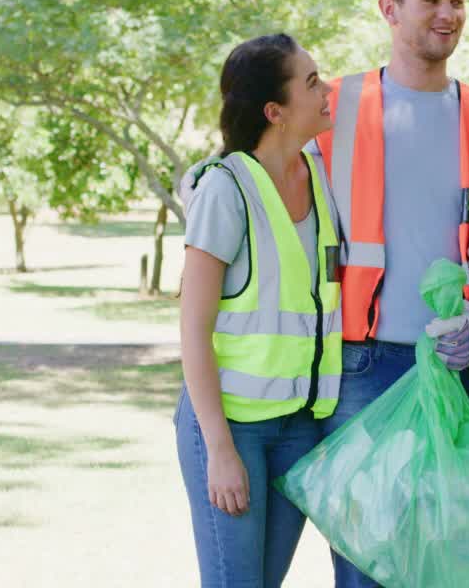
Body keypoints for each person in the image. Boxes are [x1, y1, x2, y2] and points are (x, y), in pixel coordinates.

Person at [307, 0, 469, 588]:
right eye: (431, 1)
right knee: (369, 566)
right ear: (388, 10)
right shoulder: (329, 109)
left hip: (455, 368)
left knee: (450, 565)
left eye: (457, 0)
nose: (448, 14)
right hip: (361, 369)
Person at [175, 33, 342, 587]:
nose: (326, 91)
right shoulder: (225, 189)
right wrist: (219, 451)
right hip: (231, 429)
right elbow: (193, 332)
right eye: (312, 82)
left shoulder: (319, 177)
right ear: (275, 111)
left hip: (297, 428)